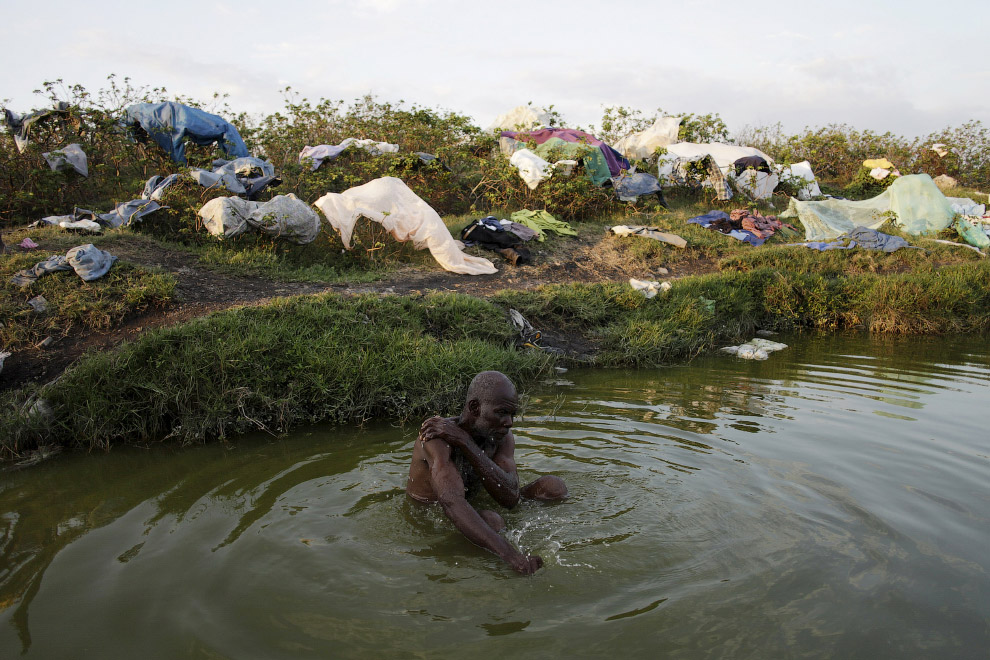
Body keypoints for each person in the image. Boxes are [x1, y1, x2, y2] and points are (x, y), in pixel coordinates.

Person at [406, 371, 567, 574]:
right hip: (431, 514)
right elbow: (451, 502)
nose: (509, 422)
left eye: (512, 414)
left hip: (472, 502)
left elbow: (510, 498)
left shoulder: (501, 437)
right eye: (501, 412)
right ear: (475, 407)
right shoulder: (436, 438)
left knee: (554, 486)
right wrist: (512, 557)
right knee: (493, 520)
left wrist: (465, 442)